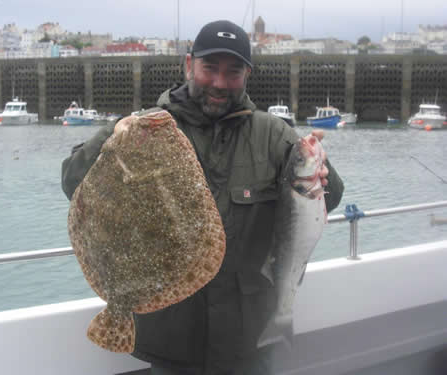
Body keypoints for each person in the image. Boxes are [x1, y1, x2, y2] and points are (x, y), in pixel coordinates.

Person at [62, 20, 344, 375]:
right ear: (188, 65)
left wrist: (323, 174)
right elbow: (72, 182)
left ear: (248, 74)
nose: (220, 83)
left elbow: (326, 200)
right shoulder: (144, 129)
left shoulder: (274, 135)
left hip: (248, 340)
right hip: (171, 339)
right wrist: (109, 140)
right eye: (210, 69)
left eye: (233, 72)